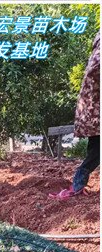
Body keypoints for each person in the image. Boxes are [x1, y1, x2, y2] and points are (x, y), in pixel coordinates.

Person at [50, 32, 100, 200]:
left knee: (96, 150)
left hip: (94, 110)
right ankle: (77, 185)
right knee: (96, 151)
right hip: (96, 109)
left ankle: (78, 184)